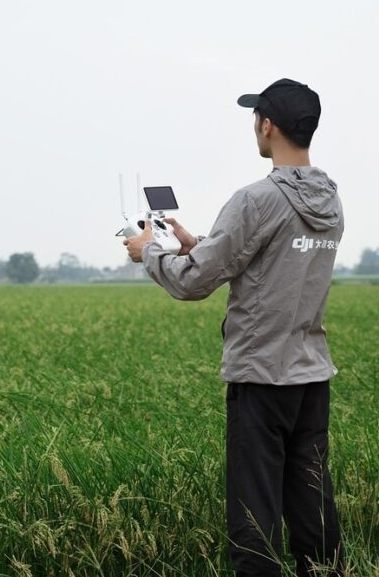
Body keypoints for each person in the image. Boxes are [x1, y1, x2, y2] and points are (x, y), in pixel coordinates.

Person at [123, 78, 345, 577]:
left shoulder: (256, 199)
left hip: (261, 377)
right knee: (313, 505)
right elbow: (272, 257)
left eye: (256, 119)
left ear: (267, 125)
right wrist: (197, 241)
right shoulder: (330, 199)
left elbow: (194, 283)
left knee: (254, 513)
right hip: (310, 375)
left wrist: (150, 252)